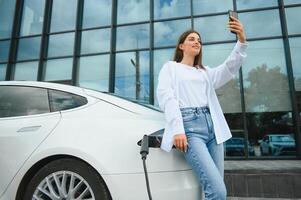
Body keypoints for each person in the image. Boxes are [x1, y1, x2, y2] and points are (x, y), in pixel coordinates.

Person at [156, 16, 247, 200]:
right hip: (190, 129)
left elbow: (229, 68)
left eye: (199, 40)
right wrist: (178, 129)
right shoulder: (171, 68)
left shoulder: (204, 72)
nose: (196, 42)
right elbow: (167, 98)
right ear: (181, 46)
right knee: (218, 191)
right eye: (191, 39)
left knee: (214, 189)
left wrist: (241, 40)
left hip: (214, 130)